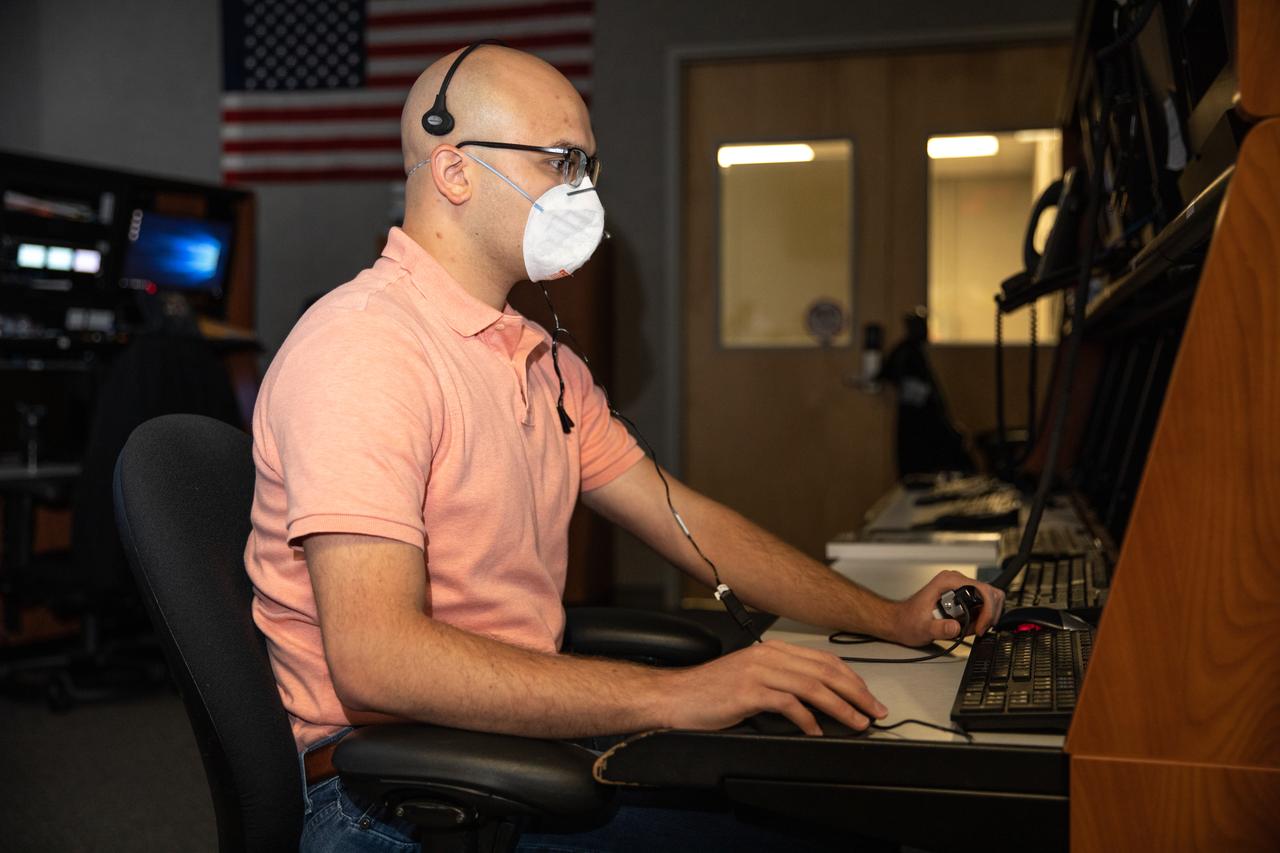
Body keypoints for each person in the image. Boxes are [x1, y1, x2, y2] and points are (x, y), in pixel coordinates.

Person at [244, 45, 1003, 852]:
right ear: (456, 173)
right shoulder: (365, 348)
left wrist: (892, 617)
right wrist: (677, 696)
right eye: (562, 161)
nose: (584, 191)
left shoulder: (541, 359)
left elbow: (689, 524)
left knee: (837, 795)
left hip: (511, 745)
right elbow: (380, 662)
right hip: (400, 794)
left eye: (589, 167)